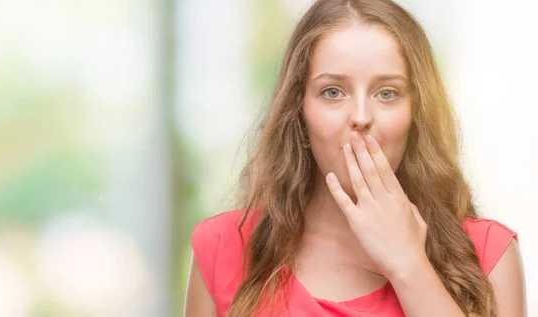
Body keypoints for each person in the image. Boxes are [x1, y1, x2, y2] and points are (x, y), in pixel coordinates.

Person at [183, 0, 527, 316]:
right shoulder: (222, 248)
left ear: (416, 113)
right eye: (332, 92)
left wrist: (408, 265)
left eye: (387, 93)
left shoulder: (489, 254)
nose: (361, 116)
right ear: (299, 110)